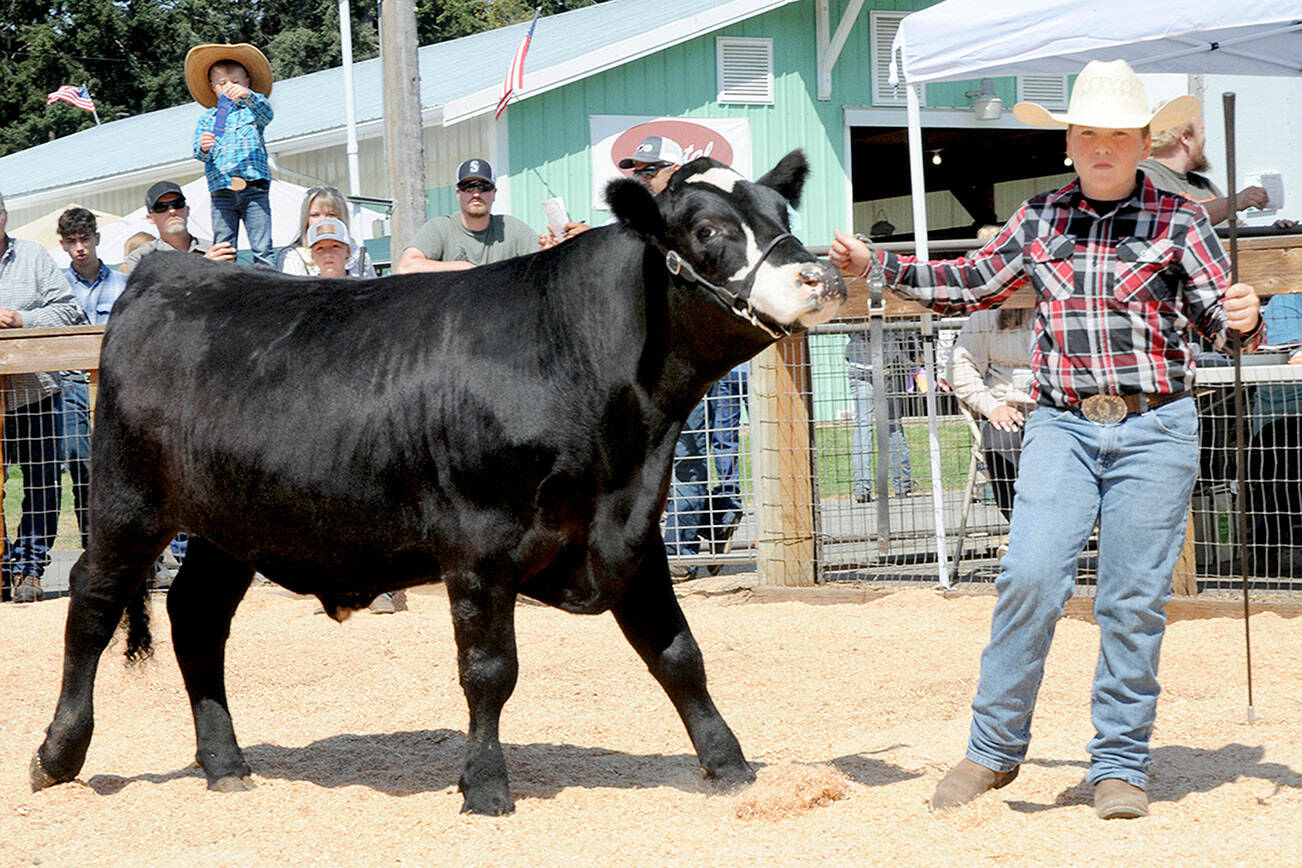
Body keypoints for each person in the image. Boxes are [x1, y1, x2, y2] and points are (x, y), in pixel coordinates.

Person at [830, 59, 1263, 820]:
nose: (1102, 146)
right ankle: (993, 752)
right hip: (1060, 422)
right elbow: (971, 281)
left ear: (1140, 143)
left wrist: (1243, 314)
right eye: (1088, 132)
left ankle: (1120, 765)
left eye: (1118, 135)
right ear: (1070, 141)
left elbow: (1213, 326)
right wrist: (880, 268)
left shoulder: (1183, 221)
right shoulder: (1039, 218)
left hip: (1156, 423)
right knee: (1029, 577)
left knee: (1132, 601)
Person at [0, 193, 89, 603]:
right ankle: (3, 568)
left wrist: (23, 320)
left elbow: (68, 311)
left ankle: (30, 569)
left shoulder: (33, 257)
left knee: (42, 485)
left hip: (37, 392)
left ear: (3, 216)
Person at [56, 207, 129, 548]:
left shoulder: (123, 284)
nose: (80, 247)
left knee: (125, 468)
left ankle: (142, 558)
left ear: (97, 239)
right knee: (80, 465)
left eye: (85, 239)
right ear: (63, 245)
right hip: (71, 385)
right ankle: (93, 546)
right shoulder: (56, 289)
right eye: (72, 241)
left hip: (118, 387)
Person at [187, 42, 275, 267]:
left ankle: (269, 285)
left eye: (235, 82)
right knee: (224, 247)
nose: (229, 87)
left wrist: (249, 96)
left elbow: (267, 114)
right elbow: (200, 153)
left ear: (247, 83)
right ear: (213, 87)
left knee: (262, 247)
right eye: (222, 83)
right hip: (222, 191)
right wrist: (204, 147)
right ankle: (226, 289)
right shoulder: (210, 117)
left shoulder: (251, 111)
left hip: (254, 185)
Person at [946, 308, 1035, 520]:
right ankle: (1021, 526)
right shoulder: (985, 318)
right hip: (1011, 410)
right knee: (1000, 440)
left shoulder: (1066, 311)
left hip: (1062, 410)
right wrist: (991, 406)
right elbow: (959, 368)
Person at [1139, 115, 1296, 229]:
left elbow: (1239, 234)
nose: (1204, 140)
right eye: (1201, 132)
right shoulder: (1145, 177)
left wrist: (1273, 233)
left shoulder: (1203, 185)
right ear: (1185, 137)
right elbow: (1171, 222)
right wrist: (1233, 202)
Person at [396, 159, 538, 272]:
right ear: (458, 194)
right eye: (469, 187)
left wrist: (553, 249)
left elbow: (541, 265)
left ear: (494, 193)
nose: (476, 194)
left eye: (483, 187)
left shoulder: (512, 228)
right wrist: (462, 268)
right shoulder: (440, 228)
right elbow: (406, 267)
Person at [844, 328, 918, 503]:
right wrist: (911, 363)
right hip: (885, 367)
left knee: (863, 426)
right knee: (892, 424)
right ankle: (902, 483)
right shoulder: (890, 307)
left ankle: (862, 487)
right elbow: (902, 333)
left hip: (859, 364)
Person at [121, 181, 236, 273]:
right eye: (161, 207)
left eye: (178, 204)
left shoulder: (214, 250)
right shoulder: (139, 259)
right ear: (150, 218)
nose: (172, 211)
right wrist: (203, 267)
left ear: (187, 210)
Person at [277, 185, 376, 277]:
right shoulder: (292, 256)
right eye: (315, 215)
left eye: (331, 215)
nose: (323, 220)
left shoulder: (358, 254)